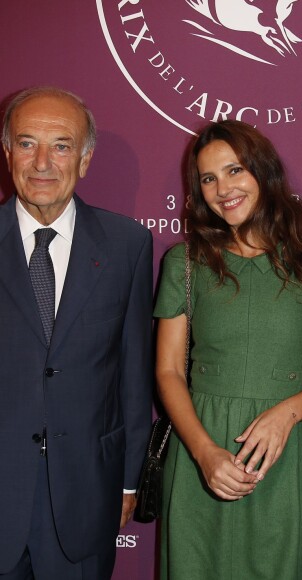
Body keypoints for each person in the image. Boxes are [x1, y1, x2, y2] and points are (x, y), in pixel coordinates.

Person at [154, 119, 302, 579]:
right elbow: (168, 371)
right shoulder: (184, 262)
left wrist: (288, 414)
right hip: (197, 448)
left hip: (281, 454)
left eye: (235, 170)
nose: (222, 188)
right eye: (208, 178)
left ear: (263, 172)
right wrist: (204, 453)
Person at [0, 87, 153, 579]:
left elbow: (133, 375)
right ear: (7, 153)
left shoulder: (128, 245)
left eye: (62, 145)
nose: (42, 162)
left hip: (86, 496)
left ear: (85, 160)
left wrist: (129, 482)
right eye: (27, 143)